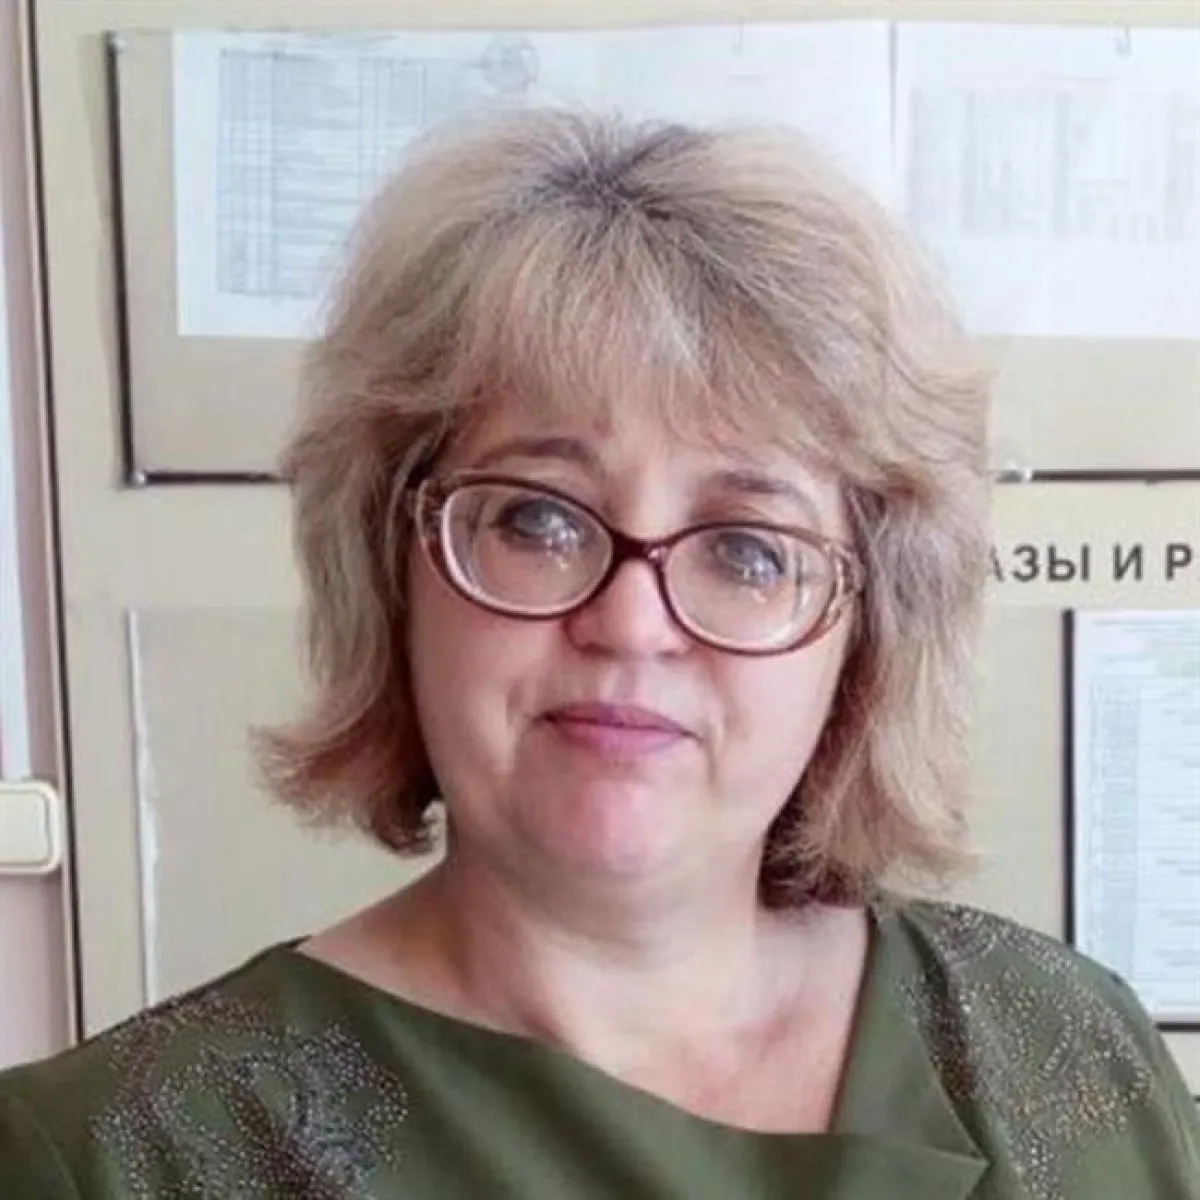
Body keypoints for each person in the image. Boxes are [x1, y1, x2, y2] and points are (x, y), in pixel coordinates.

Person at [1, 107, 1196, 1199]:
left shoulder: (1068, 1048)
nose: (631, 622)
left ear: (867, 633)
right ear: (392, 569)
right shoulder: (112, 1157)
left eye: (747, 548)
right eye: (537, 519)